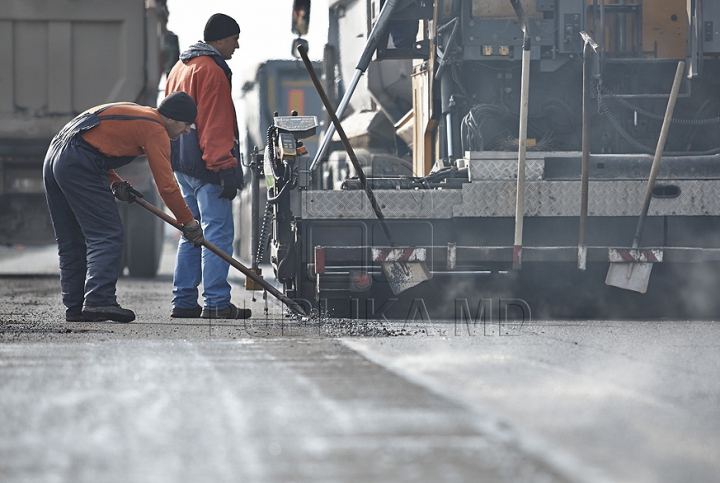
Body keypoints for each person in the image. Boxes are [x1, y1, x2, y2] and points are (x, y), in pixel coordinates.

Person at [43, 92, 205, 323]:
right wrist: (188, 222)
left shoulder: (138, 114)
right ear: (173, 119)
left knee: (71, 240)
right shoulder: (156, 129)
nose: (187, 130)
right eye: (187, 124)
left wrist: (115, 182)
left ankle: (75, 308)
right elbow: (167, 186)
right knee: (108, 235)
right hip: (75, 159)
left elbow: (91, 146)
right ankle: (99, 300)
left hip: (55, 156)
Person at [165, 13, 250, 319]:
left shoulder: (180, 67)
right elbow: (215, 123)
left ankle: (184, 301)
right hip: (206, 165)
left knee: (191, 232)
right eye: (234, 39)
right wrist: (224, 167)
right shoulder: (211, 70)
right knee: (217, 233)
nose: (237, 46)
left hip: (182, 163)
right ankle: (216, 302)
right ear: (220, 39)